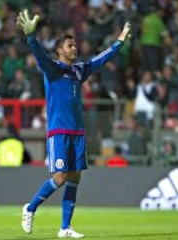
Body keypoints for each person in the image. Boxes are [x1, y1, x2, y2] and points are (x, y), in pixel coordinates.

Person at [16, 9, 131, 238]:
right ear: (60, 50)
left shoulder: (79, 70)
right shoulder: (53, 70)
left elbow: (100, 60)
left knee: (75, 176)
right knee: (60, 177)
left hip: (77, 132)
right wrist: (31, 37)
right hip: (58, 132)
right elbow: (39, 56)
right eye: (70, 45)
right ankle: (29, 208)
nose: (74, 48)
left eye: (75, 45)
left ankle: (65, 228)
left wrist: (118, 42)